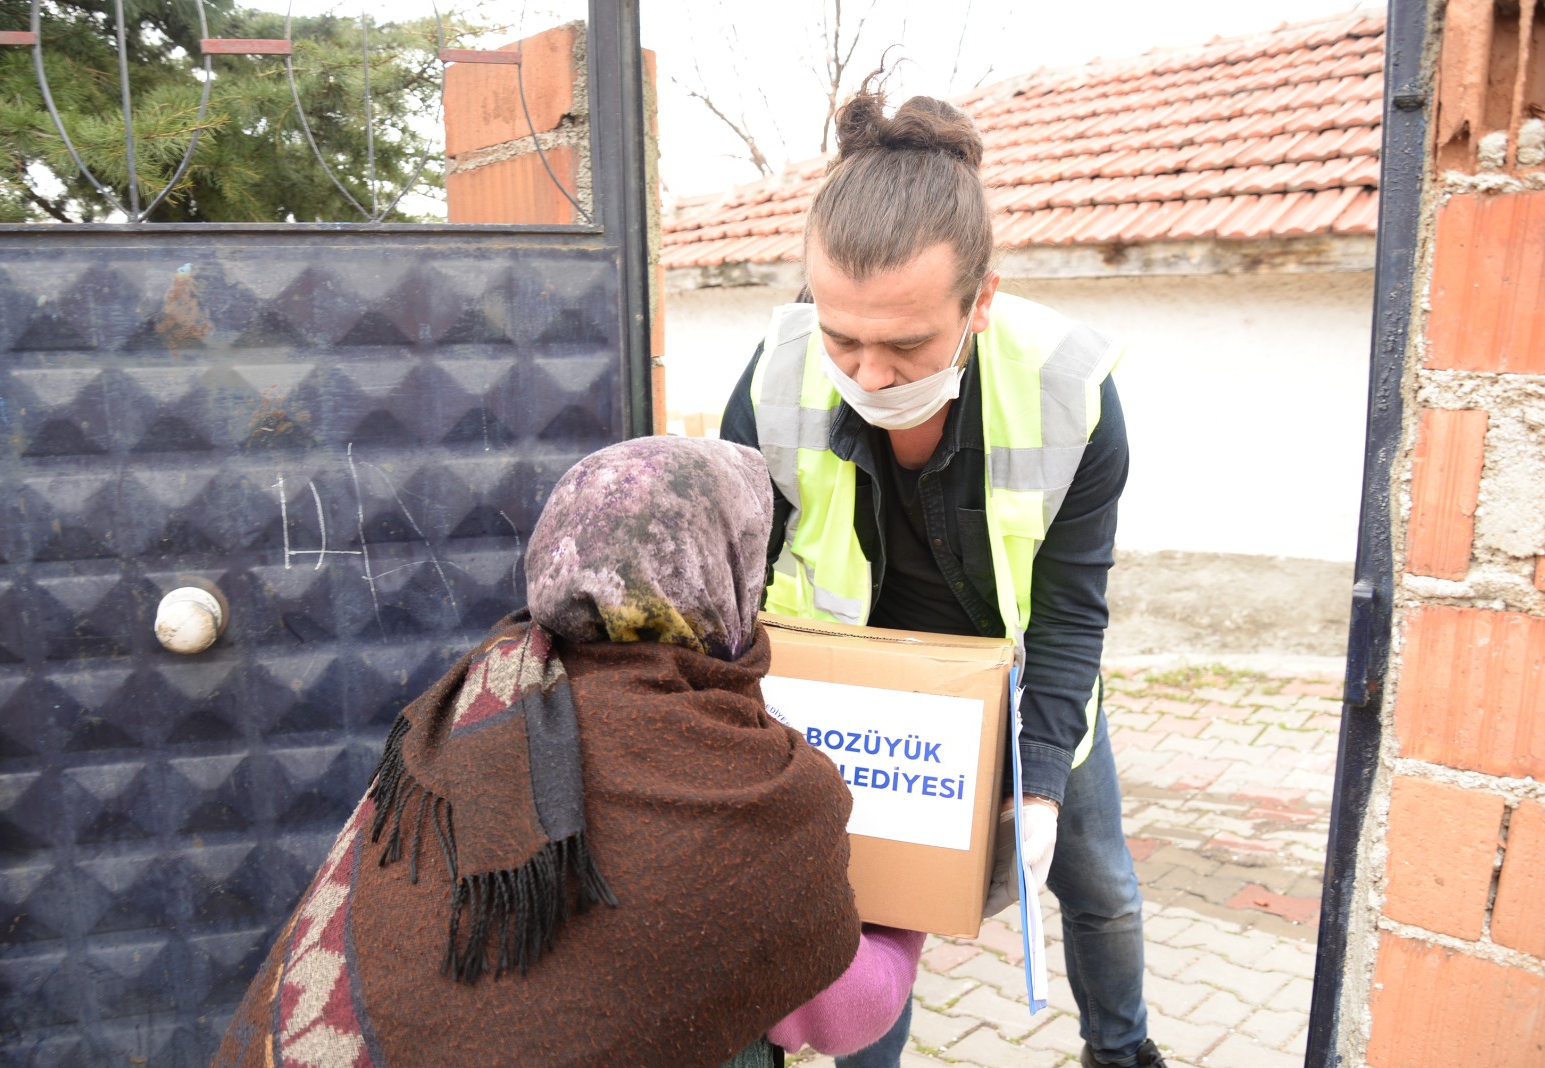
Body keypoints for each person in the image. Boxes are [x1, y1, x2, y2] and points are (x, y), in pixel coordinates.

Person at [213, 436, 921, 1068]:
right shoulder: (752, 789)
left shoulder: (479, 695)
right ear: (730, 570)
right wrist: (918, 903)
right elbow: (842, 1012)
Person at [719, 76, 1162, 1068]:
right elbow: (737, 584)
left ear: (981, 302)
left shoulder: (1069, 391)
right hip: (864, 694)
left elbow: (1069, 610)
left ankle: (1122, 1050)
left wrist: (1039, 784)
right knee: (866, 909)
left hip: (1015, 675)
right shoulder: (772, 379)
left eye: (905, 342)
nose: (867, 373)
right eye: (841, 336)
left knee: (1096, 883)